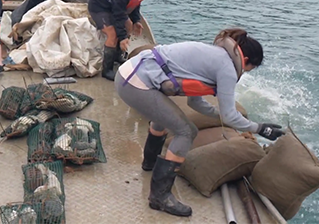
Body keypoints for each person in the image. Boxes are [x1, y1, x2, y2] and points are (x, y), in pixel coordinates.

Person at [114, 28, 285, 217]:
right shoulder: (227, 68)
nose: (242, 73)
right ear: (244, 61)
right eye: (246, 70)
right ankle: (159, 197)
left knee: (163, 118)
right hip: (135, 84)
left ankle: (150, 163)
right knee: (186, 132)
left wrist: (218, 114)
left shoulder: (214, 54)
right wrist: (260, 128)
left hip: (127, 73)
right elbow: (230, 116)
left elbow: (194, 101)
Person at [88, 0, 162, 81]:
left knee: (129, 25)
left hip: (114, 7)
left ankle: (117, 56)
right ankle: (107, 70)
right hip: (99, 7)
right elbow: (118, 13)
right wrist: (122, 37)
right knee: (112, 35)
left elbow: (135, 3)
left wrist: (136, 20)